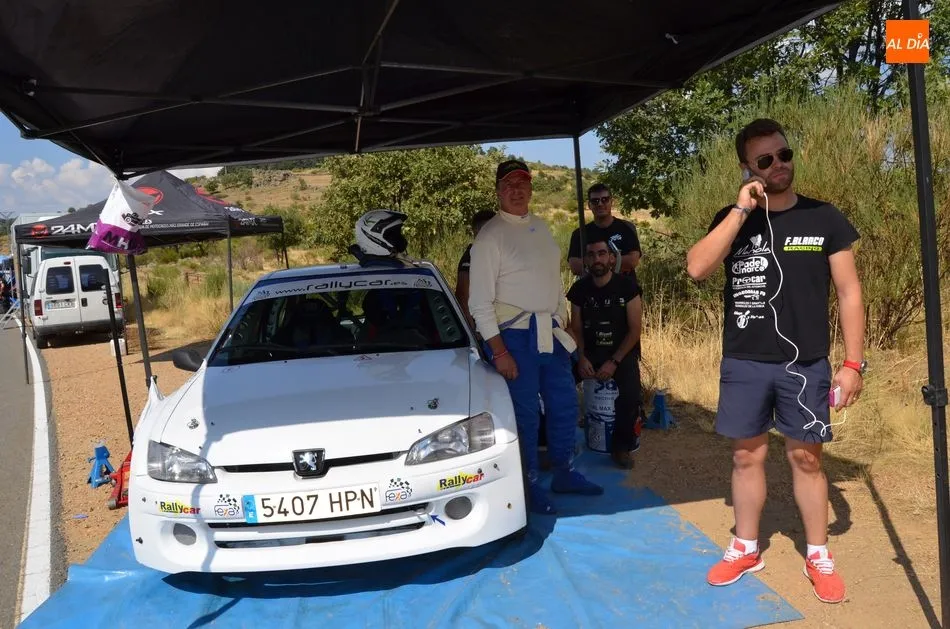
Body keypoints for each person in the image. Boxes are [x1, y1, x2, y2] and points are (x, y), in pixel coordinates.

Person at [685, 118, 866, 604]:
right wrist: (741, 210)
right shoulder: (734, 217)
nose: (779, 165)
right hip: (745, 360)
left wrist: (853, 364)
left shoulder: (824, 217)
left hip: (805, 364)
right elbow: (697, 267)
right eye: (765, 160)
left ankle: (818, 554)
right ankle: (746, 548)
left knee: (806, 458)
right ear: (748, 168)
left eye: (784, 154)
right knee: (746, 455)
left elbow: (849, 292)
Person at [469, 159, 603, 515]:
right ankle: (527, 486)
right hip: (514, 337)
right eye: (509, 185)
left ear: (531, 188)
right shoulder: (490, 237)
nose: (516, 191)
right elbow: (479, 303)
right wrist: (499, 352)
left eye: (522, 184)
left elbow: (553, 280)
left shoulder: (541, 227)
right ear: (498, 191)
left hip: (550, 333)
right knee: (525, 415)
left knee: (564, 405)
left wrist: (563, 319)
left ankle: (564, 472)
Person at [567, 237, 643, 469]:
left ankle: (621, 447)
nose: (596, 259)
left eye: (601, 253)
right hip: (589, 353)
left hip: (621, 353)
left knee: (630, 394)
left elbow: (635, 330)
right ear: (586, 260)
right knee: (559, 385)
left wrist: (614, 361)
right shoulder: (579, 289)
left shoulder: (628, 287)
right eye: (591, 255)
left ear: (611, 258)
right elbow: (575, 328)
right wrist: (581, 358)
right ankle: (562, 443)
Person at [568, 183, 641, 278]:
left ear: (612, 202)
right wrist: (614, 261)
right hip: (592, 287)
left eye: (605, 199)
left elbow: (632, 261)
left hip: (625, 286)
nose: (600, 204)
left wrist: (593, 263)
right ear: (589, 205)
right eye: (595, 201)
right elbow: (575, 266)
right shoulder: (579, 233)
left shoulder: (627, 228)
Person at [455, 209, 496, 330]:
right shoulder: (470, 259)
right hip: (483, 330)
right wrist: (472, 331)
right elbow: (462, 296)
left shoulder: (491, 255)